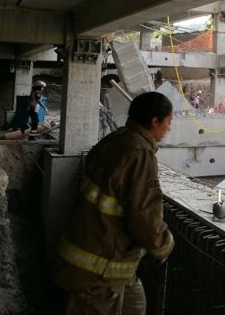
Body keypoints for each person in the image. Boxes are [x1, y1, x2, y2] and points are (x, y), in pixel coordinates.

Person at [53, 91, 176, 315]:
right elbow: (144, 216)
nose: (169, 129)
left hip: (92, 260)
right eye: (169, 122)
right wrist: (164, 245)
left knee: (135, 304)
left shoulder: (115, 139)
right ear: (155, 121)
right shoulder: (139, 153)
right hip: (98, 271)